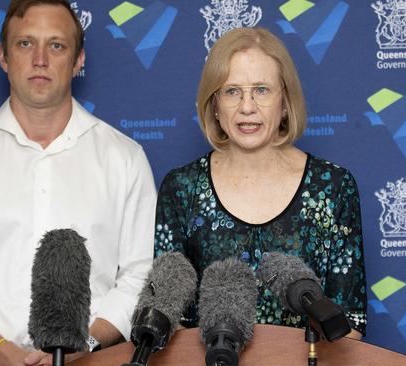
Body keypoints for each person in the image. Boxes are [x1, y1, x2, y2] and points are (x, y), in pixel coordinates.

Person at [0, 1, 156, 365]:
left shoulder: (124, 158)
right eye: (26, 44)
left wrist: (83, 345)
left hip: (91, 361)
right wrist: (0, 350)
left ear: (78, 61)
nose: (40, 59)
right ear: (3, 57)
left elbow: (141, 272)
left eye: (56, 45)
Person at [154, 27, 367, 339]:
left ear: (285, 102)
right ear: (214, 104)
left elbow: (350, 324)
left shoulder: (334, 188)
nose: (247, 107)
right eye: (232, 91)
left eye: (262, 90)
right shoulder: (181, 188)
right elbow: (168, 317)